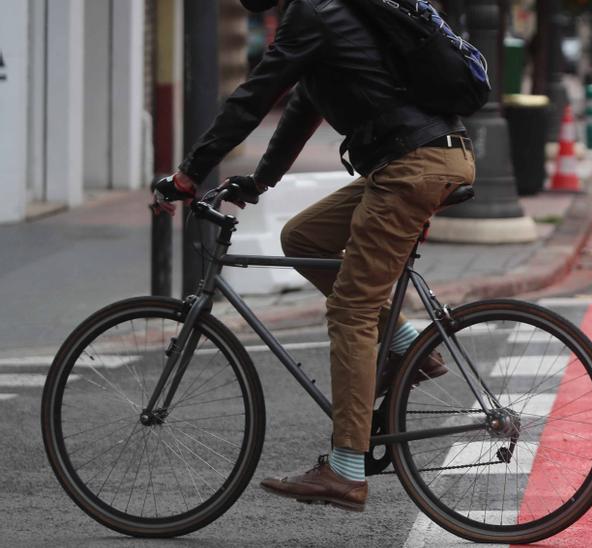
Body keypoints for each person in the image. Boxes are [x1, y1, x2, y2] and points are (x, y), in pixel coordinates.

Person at [151, 0, 476, 512]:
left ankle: (346, 470)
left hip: (412, 165)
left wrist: (190, 174)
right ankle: (409, 346)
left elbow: (255, 96)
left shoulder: (314, 11)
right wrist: (260, 181)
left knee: (350, 309)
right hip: (421, 157)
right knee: (302, 237)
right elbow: (303, 105)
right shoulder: (328, 16)